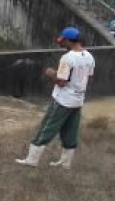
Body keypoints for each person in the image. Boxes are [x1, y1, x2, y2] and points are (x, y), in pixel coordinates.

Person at [15, 27, 96, 169]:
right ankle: (65, 163)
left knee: (47, 127)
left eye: (63, 41)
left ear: (69, 41)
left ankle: (32, 160)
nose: (61, 43)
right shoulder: (89, 57)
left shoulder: (67, 58)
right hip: (78, 101)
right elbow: (89, 80)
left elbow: (61, 82)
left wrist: (51, 73)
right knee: (70, 130)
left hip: (63, 100)